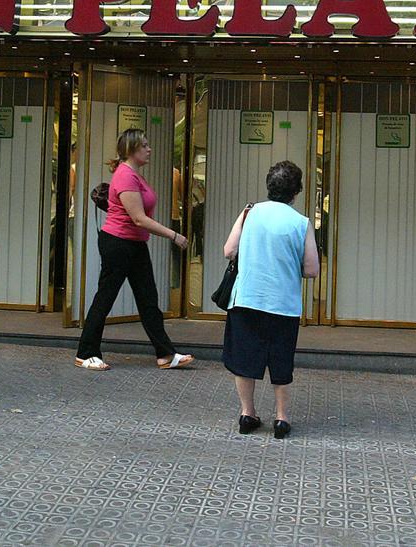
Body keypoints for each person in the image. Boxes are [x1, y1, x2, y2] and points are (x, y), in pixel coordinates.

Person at [75, 128, 193, 371]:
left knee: (148, 299)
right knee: (105, 297)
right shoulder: (125, 176)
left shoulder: (135, 175)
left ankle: (165, 354)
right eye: (145, 145)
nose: (149, 149)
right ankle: (86, 353)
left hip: (134, 244)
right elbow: (138, 218)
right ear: (131, 150)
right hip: (118, 244)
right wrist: (174, 235)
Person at [222, 161, 320, 438]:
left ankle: (247, 413)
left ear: (269, 186)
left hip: (246, 299)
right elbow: (312, 269)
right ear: (296, 191)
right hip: (283, 304)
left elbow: (229, 250)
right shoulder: (301, 223)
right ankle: (281, 418)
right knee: (280, 359)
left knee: (244, 358)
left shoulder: (249, 212)